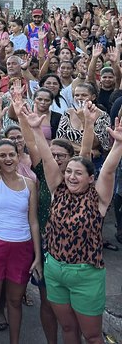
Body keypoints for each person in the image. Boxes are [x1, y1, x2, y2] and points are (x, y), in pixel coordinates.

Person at [39, 102, 122, 343]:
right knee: (67, 328)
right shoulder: (58, 190)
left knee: (93, 335)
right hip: (54, 270)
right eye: (69, 172)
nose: (72, 176)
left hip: (86, 274)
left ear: (89, 178)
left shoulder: (98, 199)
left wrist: (118, 144)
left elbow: (108, 171)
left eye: (78, 173)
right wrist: (35, 130)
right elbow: (46, 159)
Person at [0, 94, 42, 344]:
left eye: (11, 154)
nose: (6, 158)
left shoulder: (29, 183)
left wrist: (37, 255)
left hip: (22, 246)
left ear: (18, 156)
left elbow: (33, 221)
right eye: (1, 155)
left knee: (15, 302)